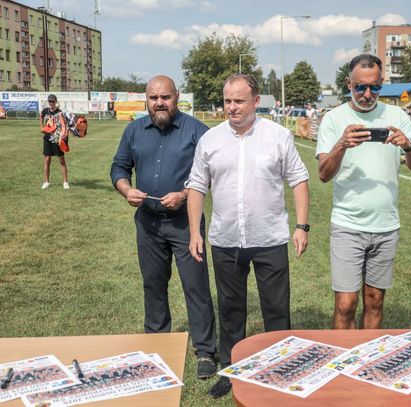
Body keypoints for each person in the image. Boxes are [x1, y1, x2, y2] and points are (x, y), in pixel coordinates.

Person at [187, 74, 310, 398]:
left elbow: (299, 180)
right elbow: (197, 186)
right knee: (231, 309)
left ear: (256, 101)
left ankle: (280, 368)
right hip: (226, 239)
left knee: (276, 309)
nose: (232, 107)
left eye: (239, 101)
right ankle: (232, 371)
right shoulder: (210, 140)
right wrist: (194, 231)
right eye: (227, 101)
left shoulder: (278, 136)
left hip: (269, 238)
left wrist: (302, 226)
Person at [110, 75, 217, 380]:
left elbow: (212, 172)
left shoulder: (197, 131)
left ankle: (205, 350)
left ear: (177, 97)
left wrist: (184, 194)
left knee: (195, 286)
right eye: (154, 97)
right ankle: (156, 345)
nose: (159, 103)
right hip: (148, 224)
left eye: (165, 97)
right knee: (153, 285)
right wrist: (125, 189)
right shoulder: (133, 131)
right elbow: (119, 167)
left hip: (185, 224)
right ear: (146, 99)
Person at [316, 54, 411, 331]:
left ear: (382, 83)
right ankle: (343, 356)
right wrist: (341, 144)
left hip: (386, 225)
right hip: (347, 224)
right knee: (345, 304)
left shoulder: (397, 116)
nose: (367, 94)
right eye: (360, 87)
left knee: (375, 301)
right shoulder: (334, 118)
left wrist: (408, 146)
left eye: (375, 87)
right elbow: (323, 174)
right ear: (348, 84)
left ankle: (367, 356)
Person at [40, 94, 69, 189]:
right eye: (50, 101)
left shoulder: (60, 112)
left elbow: (64, 125)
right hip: (47, 138)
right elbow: (41, 116)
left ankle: (65, 182)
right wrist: (42, 127)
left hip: (57, 139)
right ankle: (46, 182)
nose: (51, 103)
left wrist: (63, 137)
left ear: (56, 102)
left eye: (53, 101)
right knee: (47, 160)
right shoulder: (45, 111)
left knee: (61, 160)